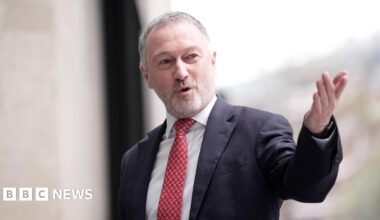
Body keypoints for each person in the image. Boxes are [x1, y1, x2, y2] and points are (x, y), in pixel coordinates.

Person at [118, 11, 348, 220]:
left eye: (191, 57)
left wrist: (318, 131)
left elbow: (306, 187)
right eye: (165, 61)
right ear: (146, 75)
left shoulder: (259, 130)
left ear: (213, 60)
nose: (180, 72)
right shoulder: (134, 161)